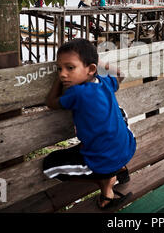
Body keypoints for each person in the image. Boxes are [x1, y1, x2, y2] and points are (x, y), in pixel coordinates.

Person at [43, 39, 136, 209]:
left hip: (104, 160)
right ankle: (119, 169)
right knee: (120, 113)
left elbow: (51, 102)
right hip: (127, 147)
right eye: (59, 69)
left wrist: (58, 80)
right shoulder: (104, 81)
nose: (63, 74)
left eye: (70, 68)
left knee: (49, 166)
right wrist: (99, 61)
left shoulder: (77, 93)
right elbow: (120, 74)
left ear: (91, 69)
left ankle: (106, 181)